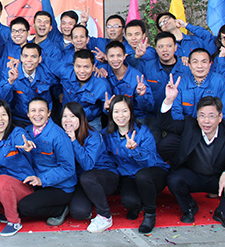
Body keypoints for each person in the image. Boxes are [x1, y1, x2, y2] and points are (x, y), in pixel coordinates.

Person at [160, 96, 225, 230]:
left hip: (217, 178)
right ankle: (189, 207)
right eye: (202, 116)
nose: (206, 121)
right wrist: (168, 101)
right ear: (197, 117)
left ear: (220, 117)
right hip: (194, 175)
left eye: (211, 116)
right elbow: (166, 124)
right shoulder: (190, 125)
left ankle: (223, 213)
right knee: (174, 179)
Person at [103, 96, 169, 234]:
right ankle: (139, 203)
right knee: (129, 202)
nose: (121, 116)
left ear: (131, 112)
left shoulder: (143, 131)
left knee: (142, 176)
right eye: (116, 111)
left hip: (151, 173)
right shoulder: (107, 134)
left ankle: (150, 214)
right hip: (129, 174)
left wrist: (135, 150)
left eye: (124, 111)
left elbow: (150, 162)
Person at [0, 100, 35, 236]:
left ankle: (14, 221)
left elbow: (23, 140)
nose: (0, 119)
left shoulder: (16, 133)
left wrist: (26, 146)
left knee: (2, 180)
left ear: (9, 117)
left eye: (4, 114)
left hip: (21, 185)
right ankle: (8, 206)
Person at [17, 97, 77, 226]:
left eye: (41, 110)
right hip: (38, 183)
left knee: (25, 207)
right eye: (33, 110)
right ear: (28, 114)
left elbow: (68, 168)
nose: (37, 114)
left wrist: (42, 180)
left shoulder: (58, 135)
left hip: (60, 187)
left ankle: (60, 210)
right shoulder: (26, 132)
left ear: (49, 113)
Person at [62, 102, 119, 233]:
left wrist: (74, 141)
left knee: (87, 177)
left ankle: (105, 215)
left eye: (73, 116)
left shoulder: (93, 135)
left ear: (81, 118)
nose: (68, 120)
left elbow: (88, 165)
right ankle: (92, 200)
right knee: (79, 212)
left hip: (104, 176)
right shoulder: (62, 135)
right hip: (83, 180)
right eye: (65, 116)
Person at [53, 49, 111, 130]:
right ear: (73, 65)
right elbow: (47, 64)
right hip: (67, 120)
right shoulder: (65, 72)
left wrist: (107, 109)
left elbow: (109, 109)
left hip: (90, 122)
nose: (82, 71)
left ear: (93, 67)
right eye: (78, 66)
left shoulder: (102, 85)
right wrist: (58, 92)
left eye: (86, 67)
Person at [0, 43, 53, 126]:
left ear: (39, 59)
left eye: (33, 56)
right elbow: (1, 99)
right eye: (25, 56)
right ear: (21, 58)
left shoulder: (46, 74)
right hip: (18, 120)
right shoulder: (10, 72)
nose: (29, 60)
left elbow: (51, 97)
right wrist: (10, 82)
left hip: (41, 119)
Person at [103, 41, 154, 121]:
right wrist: (106, 108)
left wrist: (141, 96)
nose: (115, 59)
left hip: (136, 118)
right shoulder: (103, 72)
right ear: (106, 57)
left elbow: (148, 107)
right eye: (112, 56)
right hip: (114, 117)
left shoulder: (137, 77)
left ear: (124, 56)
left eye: (119, 55)